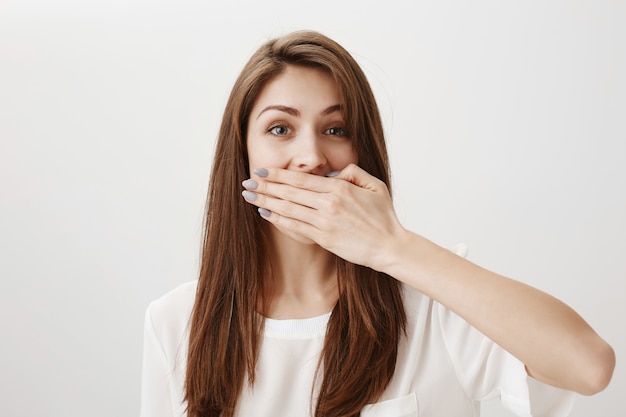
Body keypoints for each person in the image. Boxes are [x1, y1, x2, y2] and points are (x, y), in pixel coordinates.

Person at [140, 30, 615, 417]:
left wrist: (393, 247)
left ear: (361, 151)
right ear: (241, 155)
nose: (310, 157)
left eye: (335, 130)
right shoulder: (176, 323)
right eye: (280, 129)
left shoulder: (433, 306)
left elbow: (590, 366)